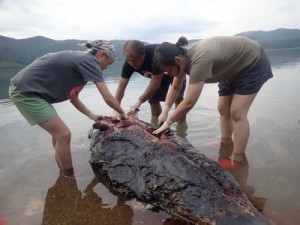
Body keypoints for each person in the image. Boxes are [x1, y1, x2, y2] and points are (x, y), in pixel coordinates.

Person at [8, 40, 127, 178]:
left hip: (31, 92)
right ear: (102, 54)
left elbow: (73, 98)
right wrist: (122, 113)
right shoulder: (90, 62)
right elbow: (108, 98)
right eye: (109, 63)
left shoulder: (81, 64)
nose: (106, 68)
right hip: (25, 93)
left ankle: (61, 164)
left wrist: (92, 115)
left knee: (58, 134)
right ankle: (69, 175)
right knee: (64, 134)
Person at [152, 36, 273, 168]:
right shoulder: (182, 60)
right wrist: (165, 110)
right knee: (223, 108)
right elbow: (175, 87)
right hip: (230, 68)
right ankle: (226, 144)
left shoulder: (200, 60)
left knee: (237, 112)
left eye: (169, 71)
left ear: (178, 60)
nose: (169, 75)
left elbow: (189, 102)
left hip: (252, 61)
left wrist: (169, 122)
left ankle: (238, 159)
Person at [114, 40, 186, 125]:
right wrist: (115, 109)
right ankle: (158, 125)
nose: (132, 63)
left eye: (134, 60)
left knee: (178, 99)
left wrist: (139, 102)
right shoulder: (129, 64)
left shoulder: (154, 55)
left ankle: (181, 127)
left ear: (143, 54)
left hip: (174, 69)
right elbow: (121, 87)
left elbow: (155, 84)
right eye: (128, 60)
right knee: (153, 99)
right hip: (158, 77)